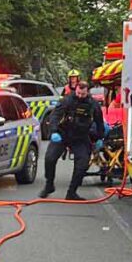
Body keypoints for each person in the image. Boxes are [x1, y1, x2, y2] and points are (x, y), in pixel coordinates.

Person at [40, 69, 104, 201]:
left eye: (83, 94)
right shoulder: (67, 100)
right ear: (76, 91)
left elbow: (99, 122)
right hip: (63, 134)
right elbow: (55, 116)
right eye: (79, 93)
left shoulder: (93, 105)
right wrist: (53, 131)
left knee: (82, 164)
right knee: (50, 159)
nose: (80, 96)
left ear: (88, 92)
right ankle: (49, 184)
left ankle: (72, 192)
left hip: (80, 137)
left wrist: (99, 138)